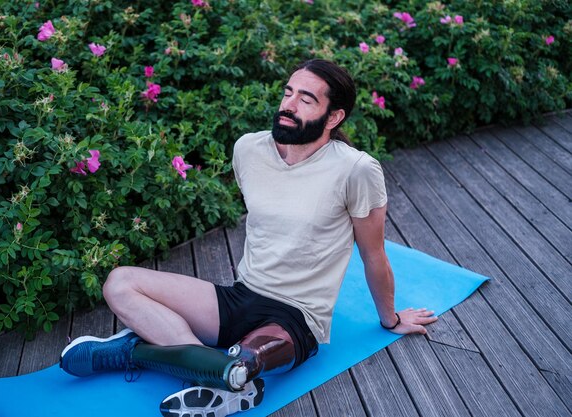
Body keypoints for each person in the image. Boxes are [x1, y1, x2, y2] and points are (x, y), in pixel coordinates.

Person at [59, 59, 438, 417]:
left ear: (334, 116)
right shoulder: (249, 149)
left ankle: (156, 354)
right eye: (288, 92)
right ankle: (200, 372)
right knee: (119, 283)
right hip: (240, 297)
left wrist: (390, 321)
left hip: (297, 317)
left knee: (246, 360)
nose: (289, 105)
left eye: (306, 99)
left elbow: (373, 254)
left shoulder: (356, 170)